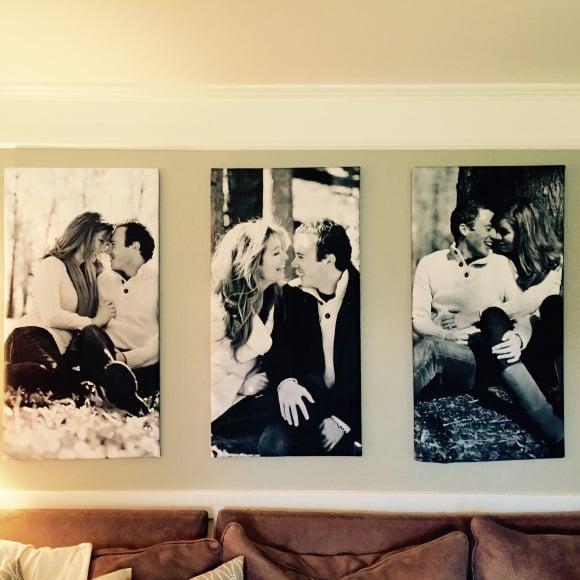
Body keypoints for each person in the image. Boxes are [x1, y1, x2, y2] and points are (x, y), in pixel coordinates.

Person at [412, 200, 563, 449]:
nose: (493, 236)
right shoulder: (430, 264)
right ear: (464, 229)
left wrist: (518, 338)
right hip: (450, 352)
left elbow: (524, 311)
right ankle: (379, 413)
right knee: (430, 348)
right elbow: (418, 319)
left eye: (497, 230)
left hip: (486, 353)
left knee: (491, 315)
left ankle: (549, 421)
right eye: (488, 228)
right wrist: (446, 335)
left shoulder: (501, 264)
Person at [441, 198, 564, 404]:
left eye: (504, 232)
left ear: (524, 233)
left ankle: (562, 390)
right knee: (492, 315)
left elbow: (532, 304)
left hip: (535, 341)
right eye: (495, 230)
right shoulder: (497, 258)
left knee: (554, 305)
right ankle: (537, 407)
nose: (496, 237)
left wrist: (517, 335)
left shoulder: (553, 261)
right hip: (499, 341)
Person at [258, 218, 361, 456]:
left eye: (301, 256)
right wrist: (285, 383)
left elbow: (378, 373)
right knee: (272, 444)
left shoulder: (367, 297)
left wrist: (343, 421)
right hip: (306, 407)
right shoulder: (290, 295)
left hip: (351, 414)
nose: (293, 263)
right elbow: (277, 347)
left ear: (328, 260)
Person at [5, 212, 116, 397]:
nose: (103, 249)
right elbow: (51, 316)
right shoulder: (52, 264)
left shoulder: (90, 274)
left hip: (61, 348)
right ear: (84, 235)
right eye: (101, 241)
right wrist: (93, 322)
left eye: (107, 244)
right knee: (53, 380)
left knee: (73, 388)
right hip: (32, 334)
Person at [210, 219, 290, 453]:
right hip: (222, 403)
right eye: (276, 253)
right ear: (254, 261)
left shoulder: (274, 299)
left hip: (253, 400)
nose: (285, 258)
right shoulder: (218, 308)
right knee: (283, 405)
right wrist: (242, 386)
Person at [69, 220, 159, 416]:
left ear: (134, 247)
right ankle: (121, 393)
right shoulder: (103, 281)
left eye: (114, 245)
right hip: (104, 359)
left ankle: (120, 390)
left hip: (142, 369)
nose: (108, 250)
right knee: (90, 332)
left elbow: (166, 343)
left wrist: (125, 359)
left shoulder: (160, 282)